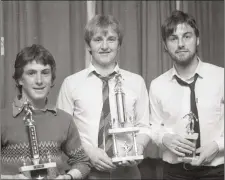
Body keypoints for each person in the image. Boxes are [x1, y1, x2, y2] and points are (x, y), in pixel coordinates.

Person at [57, 14, 151, 179]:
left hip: (128, 173)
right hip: (86, 172)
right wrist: (90, 152)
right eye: (98, 39)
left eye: (111, 39)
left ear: (119, 44)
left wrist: (138, 149)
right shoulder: (71, 84)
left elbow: (144, 126)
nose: (105, 46)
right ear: (88, 45)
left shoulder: (136, 82)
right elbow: (63, 133)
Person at [149, 10, 224, 179]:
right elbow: (153, 127)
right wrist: (164, 139)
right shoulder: (157, 85)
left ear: (197, 40)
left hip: (218, 171)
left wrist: (217, 145)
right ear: (165, 45)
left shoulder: (221, 77)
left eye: (187, 36)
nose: (180, 44)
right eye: (173, 38)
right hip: (174, 173)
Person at [1, 44, 91, 179]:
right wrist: (12, 179)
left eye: (45, 73)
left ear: (52, 78)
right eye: (31, 73)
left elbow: (83, 162)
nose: (39, 81)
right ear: (20, 79)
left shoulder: (64, 120)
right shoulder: (2, 119)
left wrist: (68, 177)